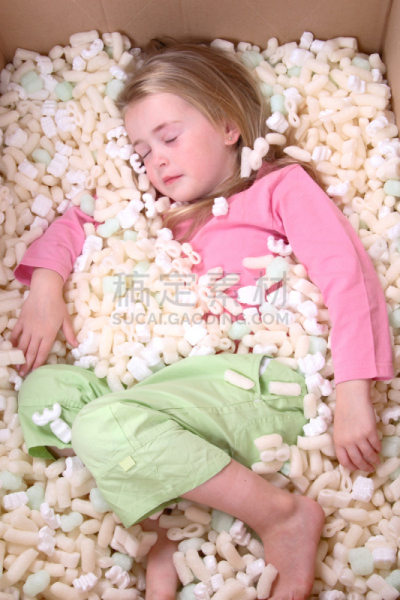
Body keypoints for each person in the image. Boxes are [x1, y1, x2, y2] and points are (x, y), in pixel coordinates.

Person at [11, 40, 393, 599]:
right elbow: (76, 222)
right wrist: (46, 287)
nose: (157, 161)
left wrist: (353, 391)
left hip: (259, 387)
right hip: (168, 390)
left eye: (169, 138)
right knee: (45, 393)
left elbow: (348, 277)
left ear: (229, 126)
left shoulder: (278, 188)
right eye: (142, 151)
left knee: (101, 425)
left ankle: (280, 515)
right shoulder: (149, 208)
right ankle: (173, 508)